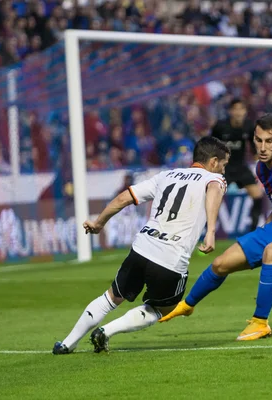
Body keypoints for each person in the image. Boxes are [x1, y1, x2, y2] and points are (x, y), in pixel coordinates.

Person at [160, 114, 272, 341]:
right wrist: (265, 230)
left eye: (270, 141)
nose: (263, 147)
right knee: (220, 264)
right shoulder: (261, 169)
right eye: (259, 140)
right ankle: (186, 305)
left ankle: (260, 323)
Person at [53, 137, 230, 354]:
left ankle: (66, 344)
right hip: (170, 257)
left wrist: (99, 223)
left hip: (141, 248)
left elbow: (123, 198)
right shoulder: (215, 179)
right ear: (213, 162)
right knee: (163, 308)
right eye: (223, 165)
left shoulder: (166, 175)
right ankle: (106, 331)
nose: (223, 171)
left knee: (110, 297)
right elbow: (214, 189)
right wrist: (211, 231)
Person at [211, 98, 264, 231]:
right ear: (230, 111)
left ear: (245, 111)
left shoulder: (249, 126)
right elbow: (210, 145)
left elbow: (253, 149)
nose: (238, 112)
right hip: (223, 169)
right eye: (236, 109)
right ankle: (205, 230)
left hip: (241, 167)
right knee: (212, 198)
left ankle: (253, 231)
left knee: (258, 196)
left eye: (241, 109)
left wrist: (260, 160)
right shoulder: (220, 126)